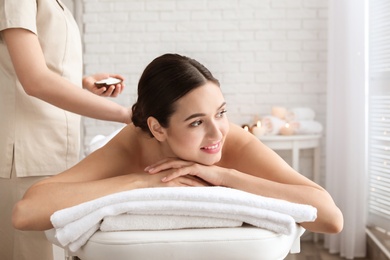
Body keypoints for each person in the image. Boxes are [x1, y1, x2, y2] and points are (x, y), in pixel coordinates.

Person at [12, 53, 343, 238]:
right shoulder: (132, 146)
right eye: (197, 122)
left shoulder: (233, 142)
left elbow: (330, 217)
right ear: (157, 128)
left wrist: (226, 177)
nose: (217, 134)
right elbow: (26, 213)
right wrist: (143, 182)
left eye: (221, 113)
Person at [0, 1, 131, 259]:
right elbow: (34, 80)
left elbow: (43, 70)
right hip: (26, 154)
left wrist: (82, 86)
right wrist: (126, 114)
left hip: (52, 152)